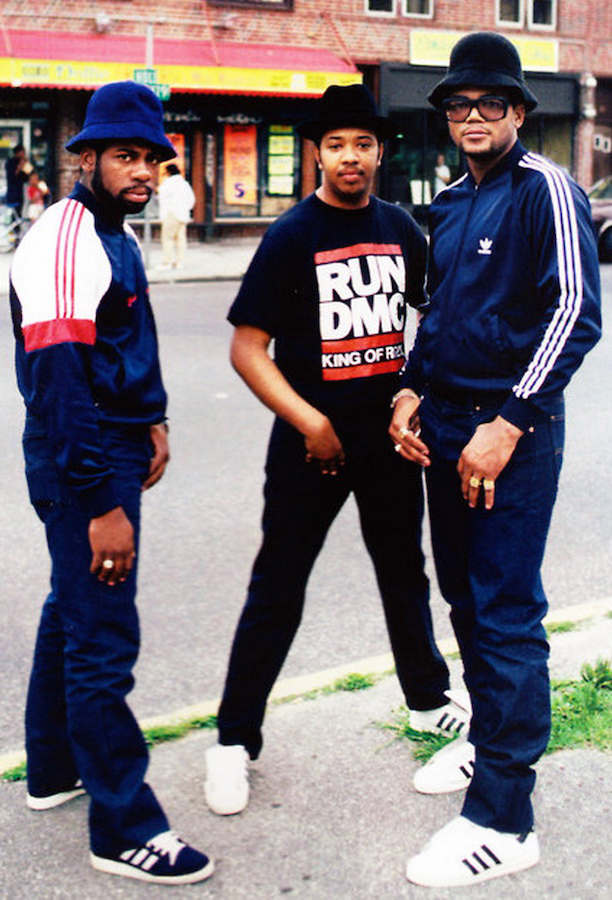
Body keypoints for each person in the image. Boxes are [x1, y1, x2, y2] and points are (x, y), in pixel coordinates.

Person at [204, 83, 471, 817]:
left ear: (380, 152)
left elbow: (432, 323)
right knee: (279, 586)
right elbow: (248, 350)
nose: (350, 156)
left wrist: (412, 398)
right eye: (336, 144)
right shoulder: (293, 234)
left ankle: (427, 700)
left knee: (403, 572)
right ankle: (232, 741)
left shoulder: (401, 229)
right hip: (307, 444)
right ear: (317, 153)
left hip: (385, 437)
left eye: (363, 143)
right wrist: (308, 421)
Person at [390, 32, 601, 888]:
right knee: (465, 601)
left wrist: (511, 421)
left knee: (506, 613)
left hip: (506, 433)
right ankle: (487, 748)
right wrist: (409, 387)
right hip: (445, 426)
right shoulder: (451, 198)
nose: (472, 117)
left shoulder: (543, 188)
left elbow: (577, 311)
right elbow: (436, 311)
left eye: (490, 104)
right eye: (458, 106)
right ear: (446, 118)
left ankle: (507, 821)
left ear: (518, 112)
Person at [9, 81, 213, 886]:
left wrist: (154, 417)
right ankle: (123, 826)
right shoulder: (66, 238)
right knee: (103, 639)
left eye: (153, 158)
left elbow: (126, 337)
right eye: (125, 156)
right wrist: (100, 504)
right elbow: (58, 384)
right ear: (83, 157)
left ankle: (53, 769)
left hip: (117, 440)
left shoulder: (116, 233)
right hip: (83, 455)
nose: (142, 171)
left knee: (72, 608)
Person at [157, 163, 195, 269]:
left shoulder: (168, 183)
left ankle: (167, 262)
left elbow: (161, 194)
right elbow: (191, 199)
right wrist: (185, 209)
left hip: (171, 213)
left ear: (168, 172)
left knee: (167, 238)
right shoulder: (184, 183)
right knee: (180, 239)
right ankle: (179, 262)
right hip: (183, 214)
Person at [5, 143, 32, 235]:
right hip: (13, 193)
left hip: (20, 193)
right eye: (22, 152)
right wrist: (20, 166)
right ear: (18, 153)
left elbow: (27, 177)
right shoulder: (10, 162)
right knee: (15, 216)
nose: (24, 154)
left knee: (18, 214)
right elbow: (12, 177)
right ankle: (14, 233)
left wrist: (26, 166)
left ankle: (17, 234)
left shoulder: (24, 162)